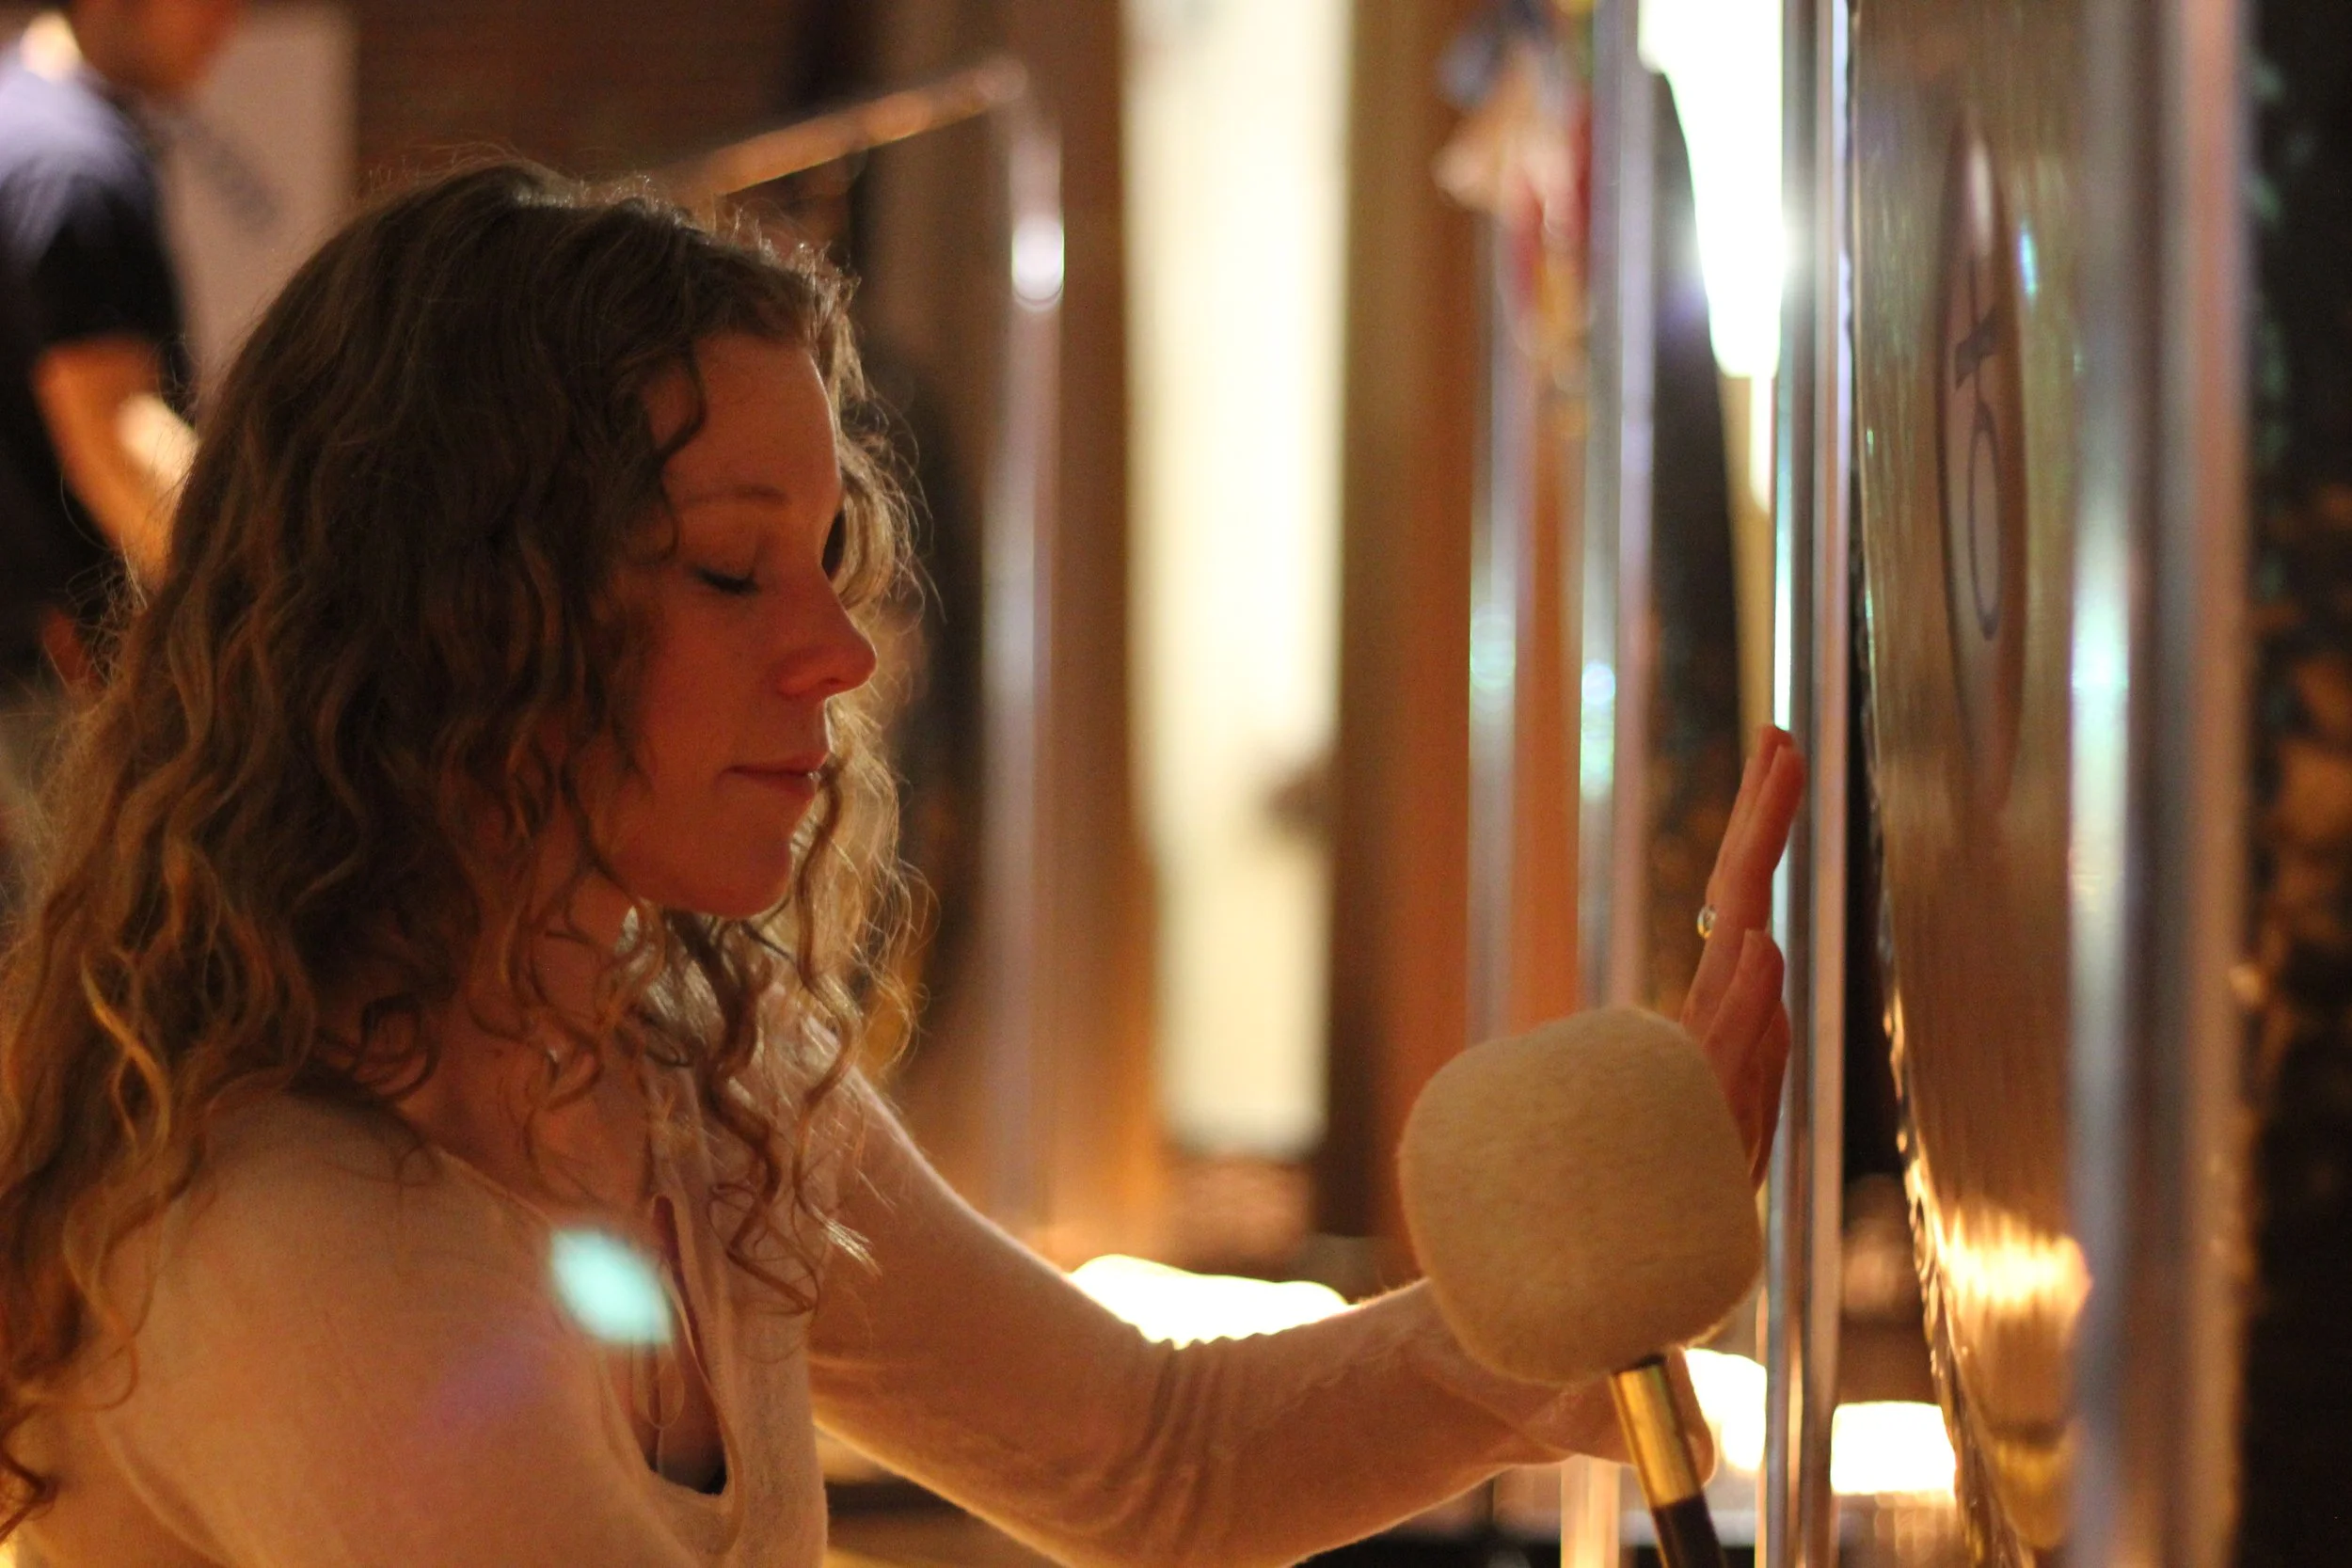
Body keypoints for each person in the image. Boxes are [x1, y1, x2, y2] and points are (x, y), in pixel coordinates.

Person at [0, 163, 1804, 1567]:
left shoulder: (689, 1073)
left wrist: (1562, 1298)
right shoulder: (275, 1223)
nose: (838, 656)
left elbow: (1154, 1460)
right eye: (730, 568)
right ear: (463, 611)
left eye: (828, 557)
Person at [0, 0, 243, 909]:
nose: (231, 21)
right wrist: (260, 596)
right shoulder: (70, 166)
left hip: (29, 661)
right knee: (83, 989)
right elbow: (118, 440)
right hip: (58, 674)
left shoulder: (22, 121)